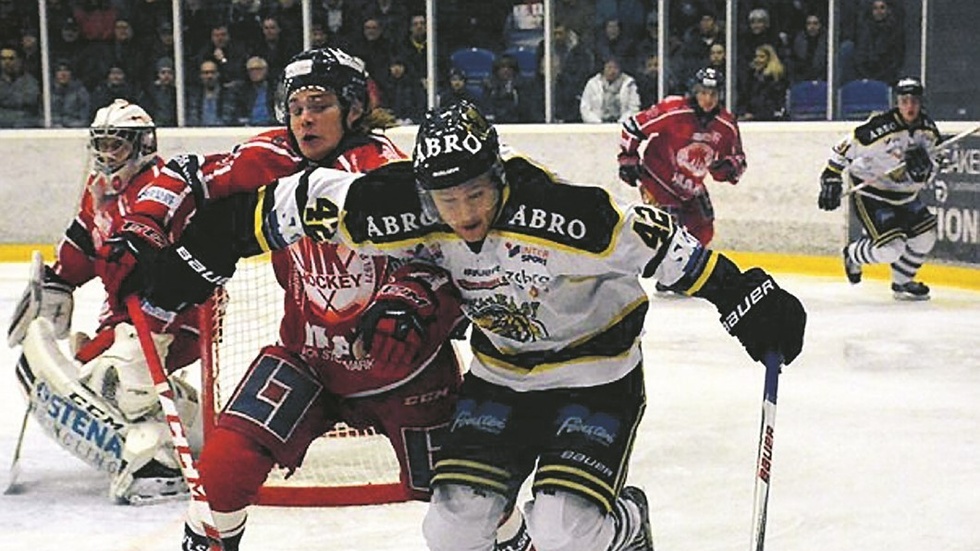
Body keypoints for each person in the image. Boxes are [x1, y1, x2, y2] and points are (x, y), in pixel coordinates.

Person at [119, 99, 806, 551]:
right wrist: (196, 257)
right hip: (501, 376)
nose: (465, 212)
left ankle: (627, 520)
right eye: (447, 198)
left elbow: (667, 247)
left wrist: (747, 298)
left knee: (566, 532)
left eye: (478, 191)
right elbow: (290, 202)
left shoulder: (564, 213)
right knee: (450, 529)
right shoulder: (397, 206)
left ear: (499, 174)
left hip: (594, 377)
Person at [100, 48, 531, 551]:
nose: (304, 117)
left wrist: (412, 297)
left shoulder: (386, 170)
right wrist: (143, 223)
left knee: (473, 504)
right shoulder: (273, 157)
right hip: (308, 362)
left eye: (319, 104)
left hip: (402, 370)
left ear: (353, 108)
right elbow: (188, 175)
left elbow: (448, 254)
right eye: (297, 105)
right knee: (218, 477)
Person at [6, 99, 201, 505]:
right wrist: (57, 281)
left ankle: (158, 467)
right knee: (95, 382)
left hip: (171, 314)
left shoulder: (162, 187)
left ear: (143, 145)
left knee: (113, 389)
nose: (107, 154)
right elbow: (81, 243)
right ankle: (186, 420)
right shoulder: (101, 191)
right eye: (103, 144)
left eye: (118, 145)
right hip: (125, 317)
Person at [817, 76, 940, 301]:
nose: (910, 106)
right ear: (897, 102)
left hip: (905, 195)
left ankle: (902, 283)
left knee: (926, 237)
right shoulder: (880, 128)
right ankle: (853, 255)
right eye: (905, 100)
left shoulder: (928, 131)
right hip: (873, 192)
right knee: (891, 248)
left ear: (921, 102)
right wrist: (831, 176)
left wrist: (924, 172)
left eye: (914, 100)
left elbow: (933, 167)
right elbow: (844, 147)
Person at [618, 66, 745, 247]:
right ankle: (632, 260)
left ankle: (686, 268)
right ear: (695, 91)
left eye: (713, 94)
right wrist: (628, 159)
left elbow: (738, 158)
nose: (708, 99)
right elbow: (633, 127)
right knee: (666, 232)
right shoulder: (674, 109)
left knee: (703, 229)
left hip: (691, 186)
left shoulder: (726, 124)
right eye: (703, 92)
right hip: (658, 179)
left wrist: (729, 168)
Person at [579, 56, 640, 124]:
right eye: (609, 67)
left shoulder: (629, 84)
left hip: (622, 125)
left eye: (615, 68)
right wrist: (598, 123)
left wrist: (621, 122)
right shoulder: (593, 83)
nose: (612, 71)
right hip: (596, 125)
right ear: (603, 69)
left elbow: (634, 108)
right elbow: (585, 108)